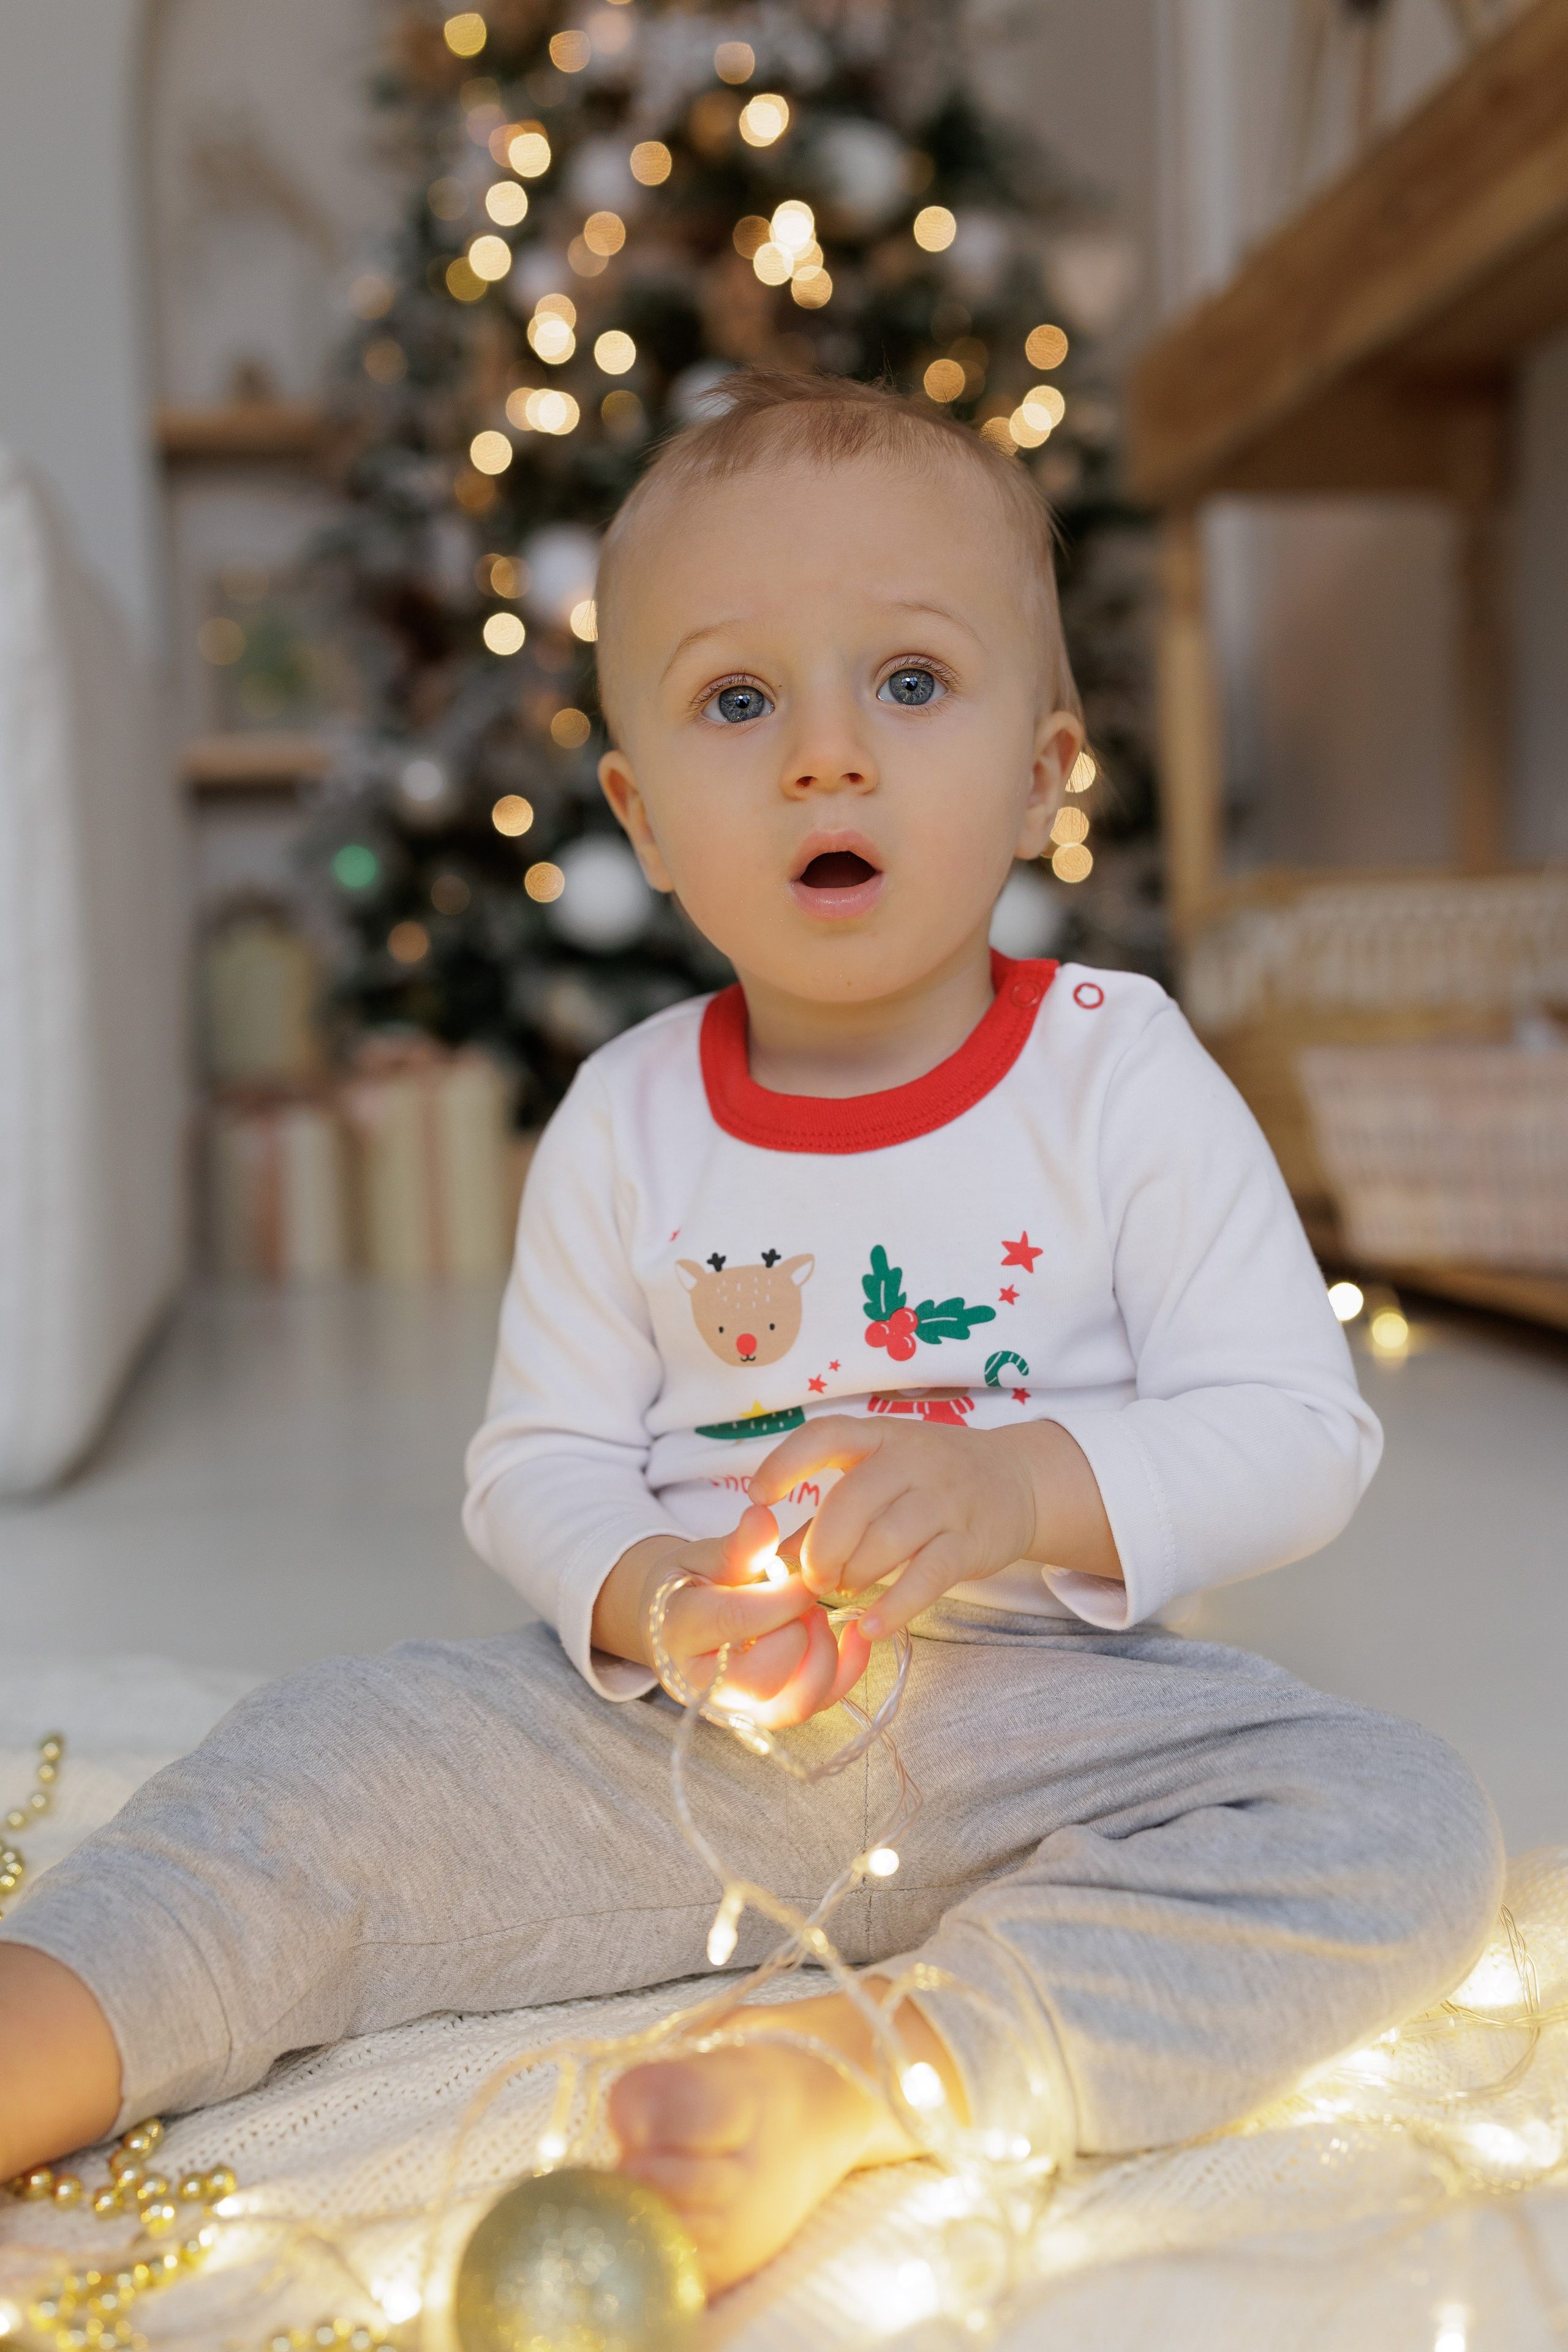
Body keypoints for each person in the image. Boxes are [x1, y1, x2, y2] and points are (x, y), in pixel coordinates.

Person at [0, 371, 1501, 2294]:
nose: (824, 760)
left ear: (1048, 771)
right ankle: (54, 2024)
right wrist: (655, 1600)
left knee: (1394, 1823)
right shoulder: (627, 1115)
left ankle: (879, 2064)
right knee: (323, 1752)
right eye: (737, 701)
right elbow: (537, 1464)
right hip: (681, 1741)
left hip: (1060, 1723)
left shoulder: (1119, 1071)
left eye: (907, 683)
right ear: (643, 813)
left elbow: (1297, 1426)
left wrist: (1012, 1488)